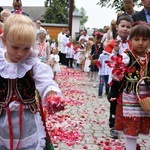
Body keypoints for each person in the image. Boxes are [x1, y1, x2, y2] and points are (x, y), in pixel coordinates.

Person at [0, 14, 63, 150]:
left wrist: (51, 94)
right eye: (15, 47)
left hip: (27, 122)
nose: (21, 54)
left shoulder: (33, 64)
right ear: (4, 40)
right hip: (2, 122)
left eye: (26, 48)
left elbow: (45, 81)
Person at [110, 22, 150, 150]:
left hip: (147, 98)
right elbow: (115, 69)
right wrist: (117, 74)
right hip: (130, 98)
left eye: (145, 39)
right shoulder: (127, 56)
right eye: (136, 39)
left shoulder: (149, 57)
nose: (140, 43)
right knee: (131, 133)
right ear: (130, 40)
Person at [104, 14, 133, 139]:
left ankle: (128, 124)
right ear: (117, 27)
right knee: (114, 100)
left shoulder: (133, 43)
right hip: (116, 79)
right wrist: (115, 50)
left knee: (128, 101)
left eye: (128, 27)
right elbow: (109, 61)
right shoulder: (113, 43)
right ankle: (113, 125)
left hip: (129, 78)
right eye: (122, 26)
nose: (125, 29)